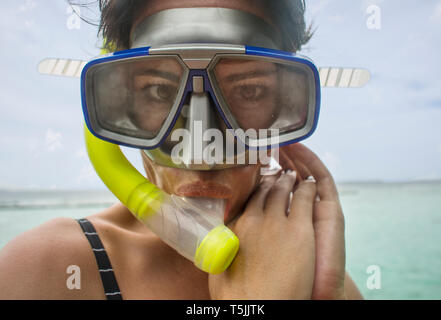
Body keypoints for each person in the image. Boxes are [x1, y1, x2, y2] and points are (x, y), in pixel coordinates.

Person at [0, 0, 363, 299]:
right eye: (160, 91)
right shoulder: (47, 272)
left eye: (249, 90)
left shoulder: (321, 280)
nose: (199, 153)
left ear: (285, 103)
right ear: (119, 104)